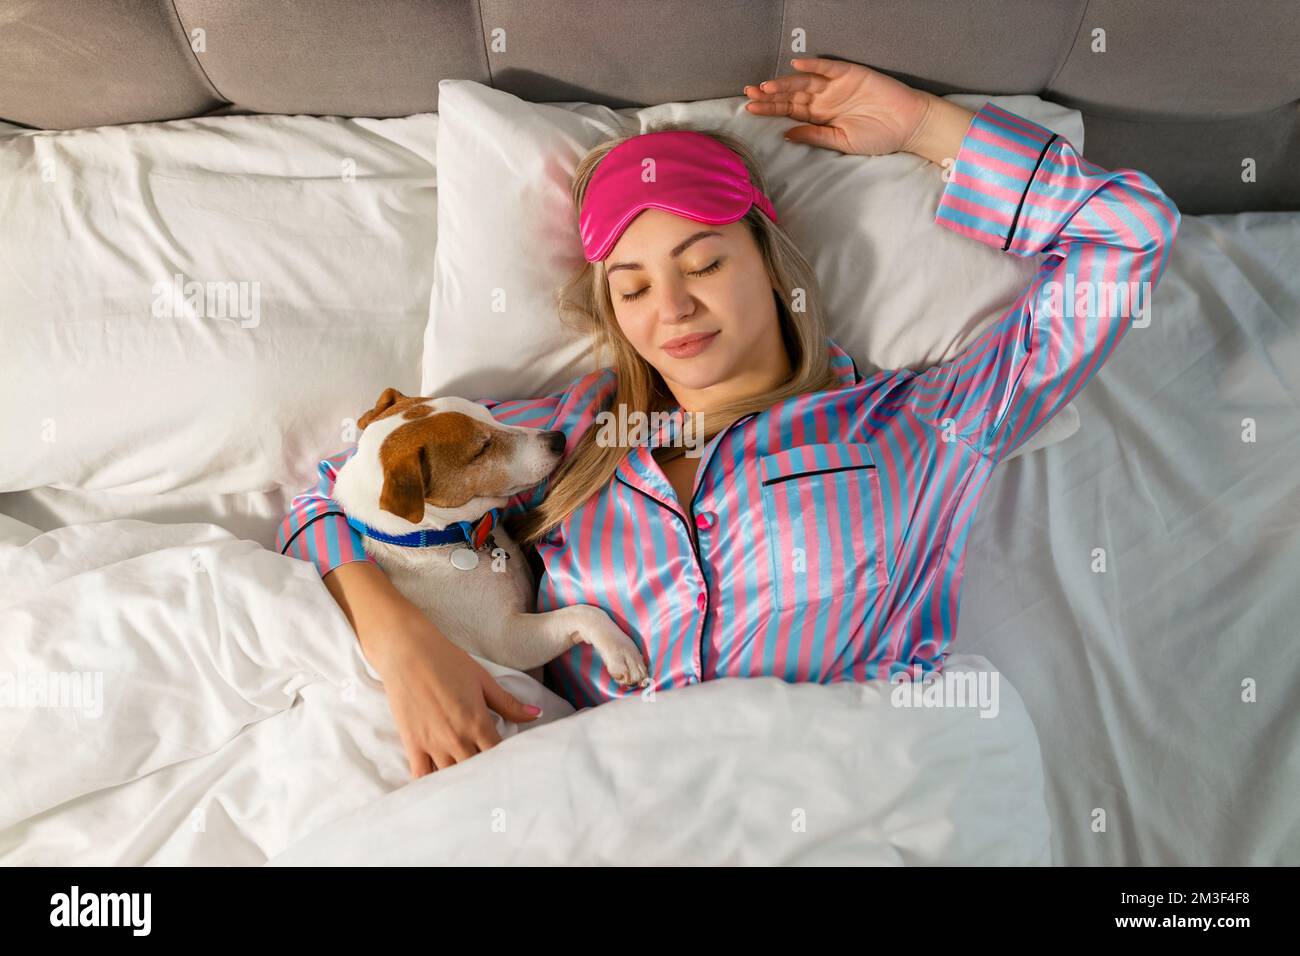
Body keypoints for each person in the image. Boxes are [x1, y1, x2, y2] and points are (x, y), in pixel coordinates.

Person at [276, 58, 1180, 778]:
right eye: (631, 287)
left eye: (703, 263)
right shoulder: (571, 439)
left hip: (843, 790)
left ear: (772, 260)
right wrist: (400, 644)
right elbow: (331, 494)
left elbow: (1130, 233)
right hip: (595, 799)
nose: (670, 306)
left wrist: (920, 128)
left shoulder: (920, 425)